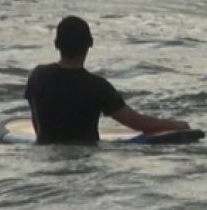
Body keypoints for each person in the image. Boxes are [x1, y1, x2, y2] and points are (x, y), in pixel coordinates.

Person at [25, 16, 190, 144]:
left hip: (46, 152)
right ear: (90, 43)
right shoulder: (97, 86)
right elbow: (137, 123)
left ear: (56, 44)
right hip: (85, 157)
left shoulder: (39, 76)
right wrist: (177, 125)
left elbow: (36, 120)